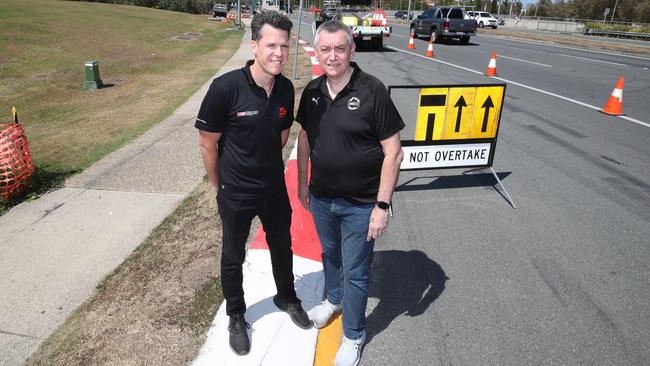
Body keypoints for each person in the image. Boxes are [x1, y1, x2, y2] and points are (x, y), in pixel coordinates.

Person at [195, 11, 311, 356]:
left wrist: (264, 166)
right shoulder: (225, 88)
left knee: (282, 246)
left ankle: (286, 296)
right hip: (236, 192)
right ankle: (236, 314)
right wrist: (221, 186)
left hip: (273, 188)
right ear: (255, 45)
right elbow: (207, 143)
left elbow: (281, 134)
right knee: (232, 256)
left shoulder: (286, 88)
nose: (278, 52)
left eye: (283, 46)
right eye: (271, 44)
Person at [296, 20, 405, 366]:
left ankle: (354, 336)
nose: (332, 56)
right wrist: (302, 183)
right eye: (325, 49)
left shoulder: (373, 91)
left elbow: (394, 152)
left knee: (357, 272)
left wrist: (382, 206)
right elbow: (304, 138)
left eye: (339, 49)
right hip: (322, 198)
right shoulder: (312, 92)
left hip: (361, 205)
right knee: (330, 254)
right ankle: (333, 299)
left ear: (351, 50)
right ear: (318, 52)